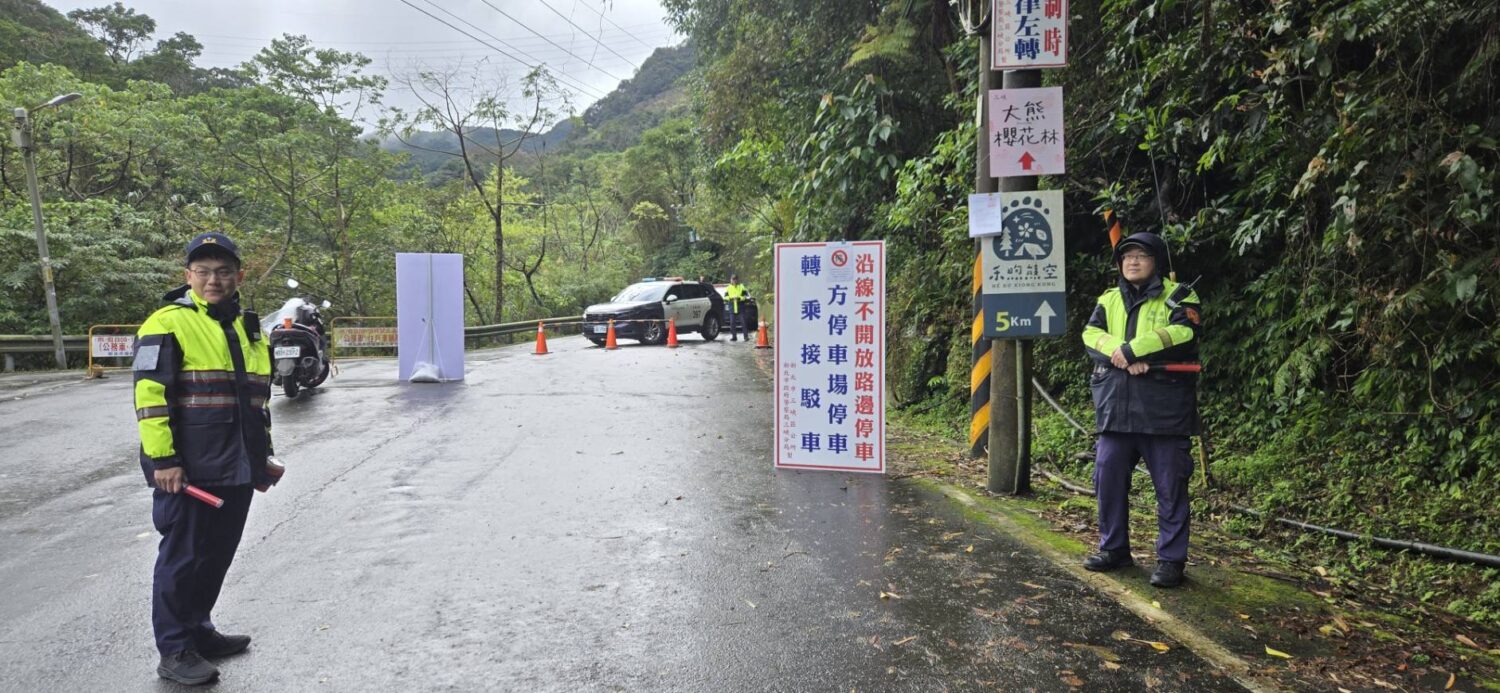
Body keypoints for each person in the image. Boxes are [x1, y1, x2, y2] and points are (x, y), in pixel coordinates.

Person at [133, 232, 280, 684]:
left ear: (238, 275)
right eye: (203, 271)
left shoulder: (247, 325)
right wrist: (164, 462)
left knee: (217, 554)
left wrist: (263, 456)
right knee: (183, 558)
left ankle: (199, 630)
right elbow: (149, 397)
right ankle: (175, 649)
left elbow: (256, 400)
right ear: (188, 276)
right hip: (188, 468)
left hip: (236, 465)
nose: (213, 280)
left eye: (222, 271)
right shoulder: (165, 322)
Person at [1080, 231, 1201, 588]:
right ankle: (1114, 548)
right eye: (1127, 255)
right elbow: (1090, 335)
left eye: (1141, 255)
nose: (1132, 261)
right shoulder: (1109, 299)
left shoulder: (1179, 295)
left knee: (1170, 485)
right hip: (1116, 408)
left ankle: (1171, 560)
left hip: (1163, 409)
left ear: (1156, 261)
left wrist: (1136, 350)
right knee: (1107, 478)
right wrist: (1122, 354)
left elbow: (1183, 333)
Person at [723, 273, 751, 342]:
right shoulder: (728, 287)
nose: (734, 281)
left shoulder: (741, 286)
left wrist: (739, 298)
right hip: (732, 307)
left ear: (737, 280)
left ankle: (746, 337)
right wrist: (730, 298)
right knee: (732, 323)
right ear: (731, 280)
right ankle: (734, 336)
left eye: (735, 279)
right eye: (733, 279)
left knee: (743, 322)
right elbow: (725, 297)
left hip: (740, 307)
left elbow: (745, 296)